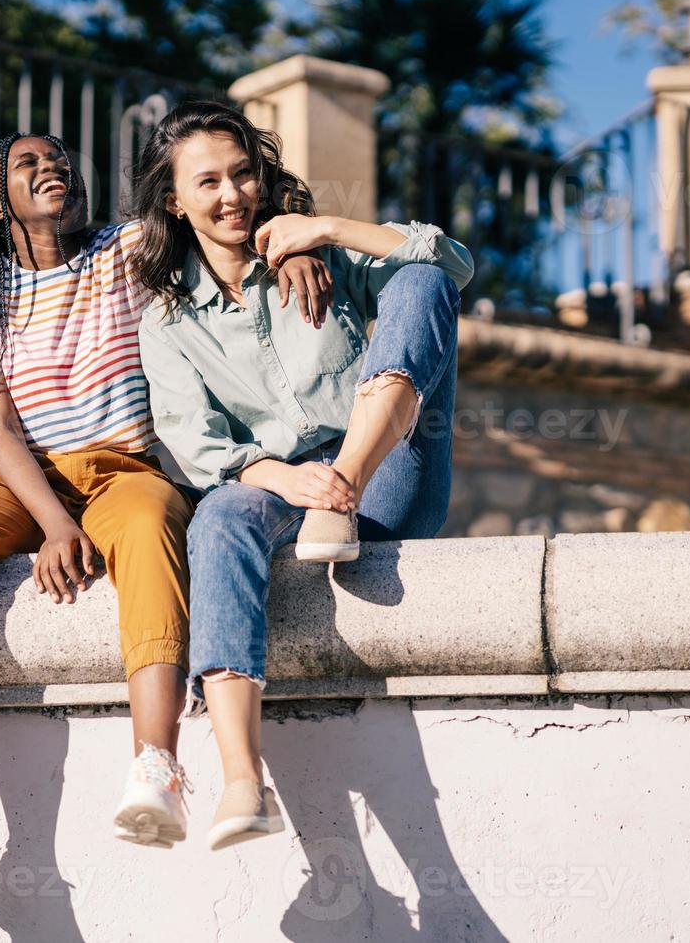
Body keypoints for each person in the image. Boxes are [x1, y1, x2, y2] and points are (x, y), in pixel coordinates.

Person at [0, 131, 332, 894]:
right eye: (29, 164)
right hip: (26, 484)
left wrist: (293, 247)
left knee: (149, 529)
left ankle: (157, 765)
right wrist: (52, 523)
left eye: (63, 162)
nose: (55, 170)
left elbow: (226, 211)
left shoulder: (130, 248)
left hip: (128, 471)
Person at [131, 101, 474, 850]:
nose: (233, 195)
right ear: (174, 201)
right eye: (210, 182)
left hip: (384, 479)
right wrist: (290, 482)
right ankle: (242, 782)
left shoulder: (319, 258)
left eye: (244, 173)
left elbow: (453, 264)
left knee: (419, 285)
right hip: (279, 490)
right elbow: (194, 444)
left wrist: (326, 230)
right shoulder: (166, 319)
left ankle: (345, 483)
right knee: (219, 513)